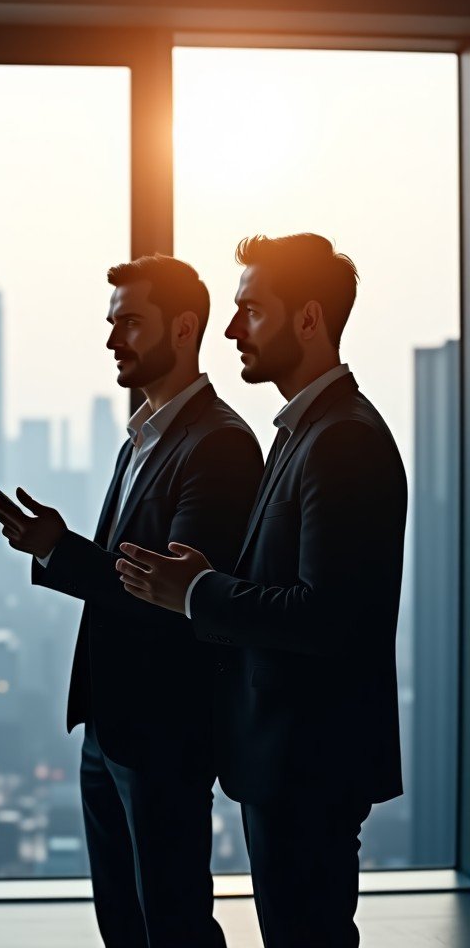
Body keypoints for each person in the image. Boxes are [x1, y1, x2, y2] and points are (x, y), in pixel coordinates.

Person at [116, 234, 406, 948]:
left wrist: (198, 592)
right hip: (289, 756)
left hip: (308, 759)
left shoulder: (342, 439)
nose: (232, 328)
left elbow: (329, 617)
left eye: (250, 310)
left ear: (308, 320)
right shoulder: (306, 431)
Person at [0, 256, 263, 947]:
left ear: (185, 327)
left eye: (131, 323)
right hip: (110, 727)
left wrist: (57, 549)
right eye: (112, 324)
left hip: (164, 730)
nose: (113, 340)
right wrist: (54, 549)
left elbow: (171, 592)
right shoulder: (142, 437)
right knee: (125, 925)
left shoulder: (218, 444)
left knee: (172, 923)